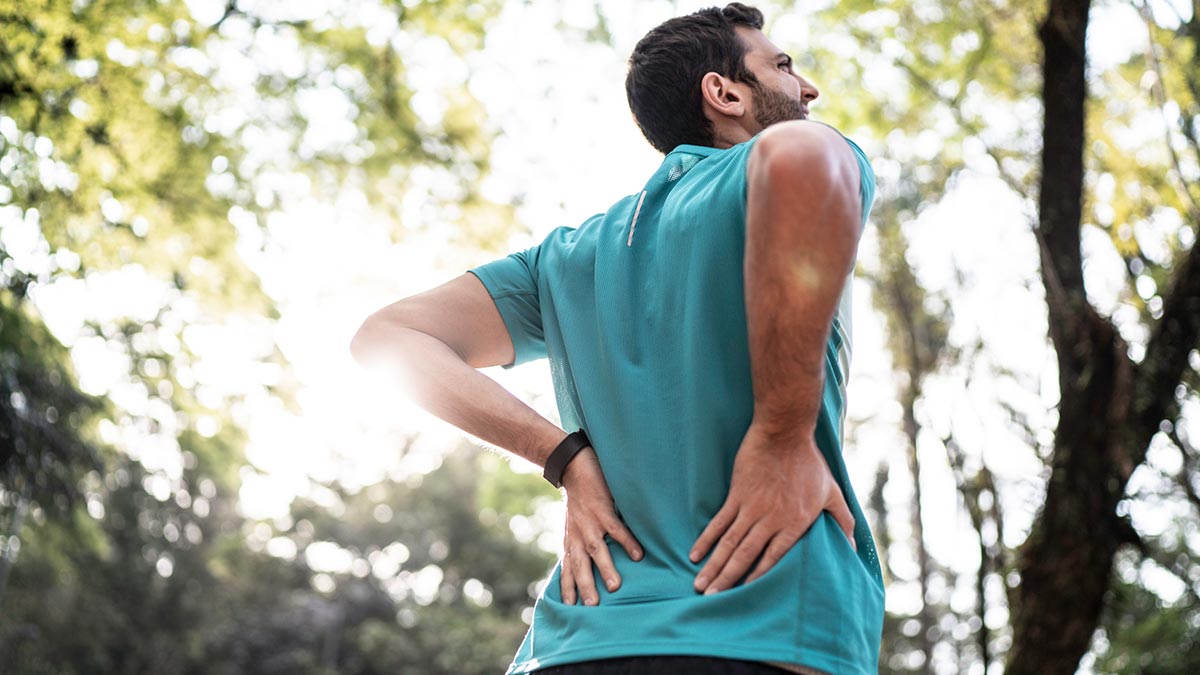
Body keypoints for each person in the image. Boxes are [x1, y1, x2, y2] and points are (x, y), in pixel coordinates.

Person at [350, 3, 885, 674]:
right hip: (767, 626)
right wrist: (782, 434)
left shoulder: (565, 258)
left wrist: (564, 458)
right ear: (723, 94)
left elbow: (388, 338)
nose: (807, 89)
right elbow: (811, 156)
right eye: (781, 66)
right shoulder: (783, 161)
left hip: (576, 647)